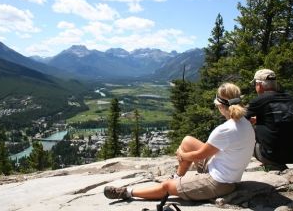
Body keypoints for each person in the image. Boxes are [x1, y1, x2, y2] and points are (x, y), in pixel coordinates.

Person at [104, 83, 255, 201]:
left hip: (220, 183)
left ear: (221, 106)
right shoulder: (245, 122)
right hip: (225, 171)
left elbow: (198, 156)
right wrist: (185, 153)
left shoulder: (225, 129)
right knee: (187, 141)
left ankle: (126, 192)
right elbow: (205, 153)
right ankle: (177, 179)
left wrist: (181, 154)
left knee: (166, 186)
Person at [246, 69, 293, 171]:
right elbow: (282, 119)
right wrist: (259, 119)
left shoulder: (259, 100)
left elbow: (239, 118)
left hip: (270, 155)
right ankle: (277, 163)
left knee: (244, 131)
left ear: (259, 85)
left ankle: (271, 165)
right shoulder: (290, 98)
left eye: (255, 84)